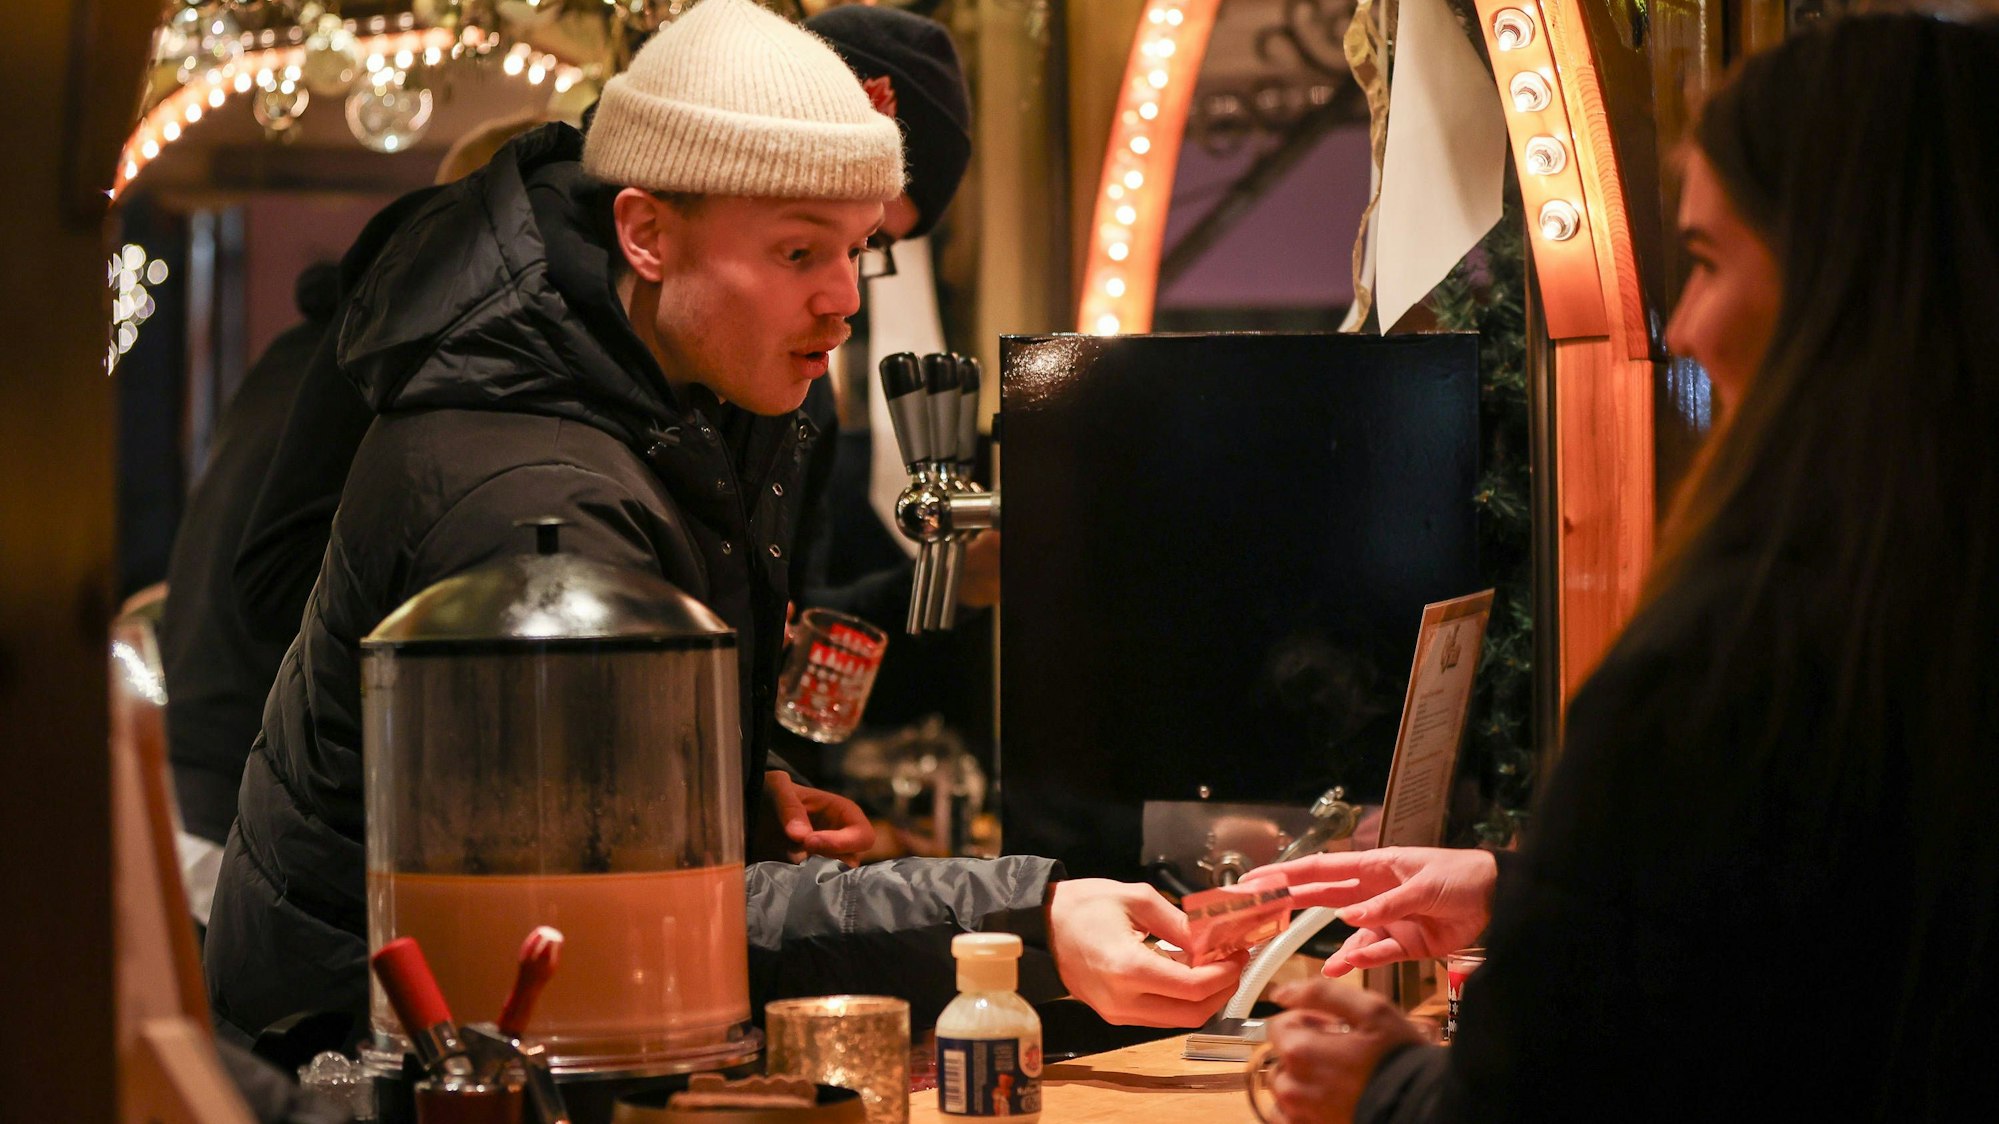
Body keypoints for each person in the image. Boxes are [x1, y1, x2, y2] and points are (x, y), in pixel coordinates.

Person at [204, 0, 1239, 1048]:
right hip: (373, 1037)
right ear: (646, 235)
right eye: (798, 253)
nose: (843, 299)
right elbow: (631, 912)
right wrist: (1028, 921)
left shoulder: (699, 390)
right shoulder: (531, 496)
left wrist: (743, 778)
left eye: (859, 249)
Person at [1240, 13, 1999, 1121]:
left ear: (1847, 282)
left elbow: (1550, 1093)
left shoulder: (1732, 659)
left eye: (1703, 261)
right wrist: (1519, 890)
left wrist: (1388, 1085)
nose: (1681, 328)